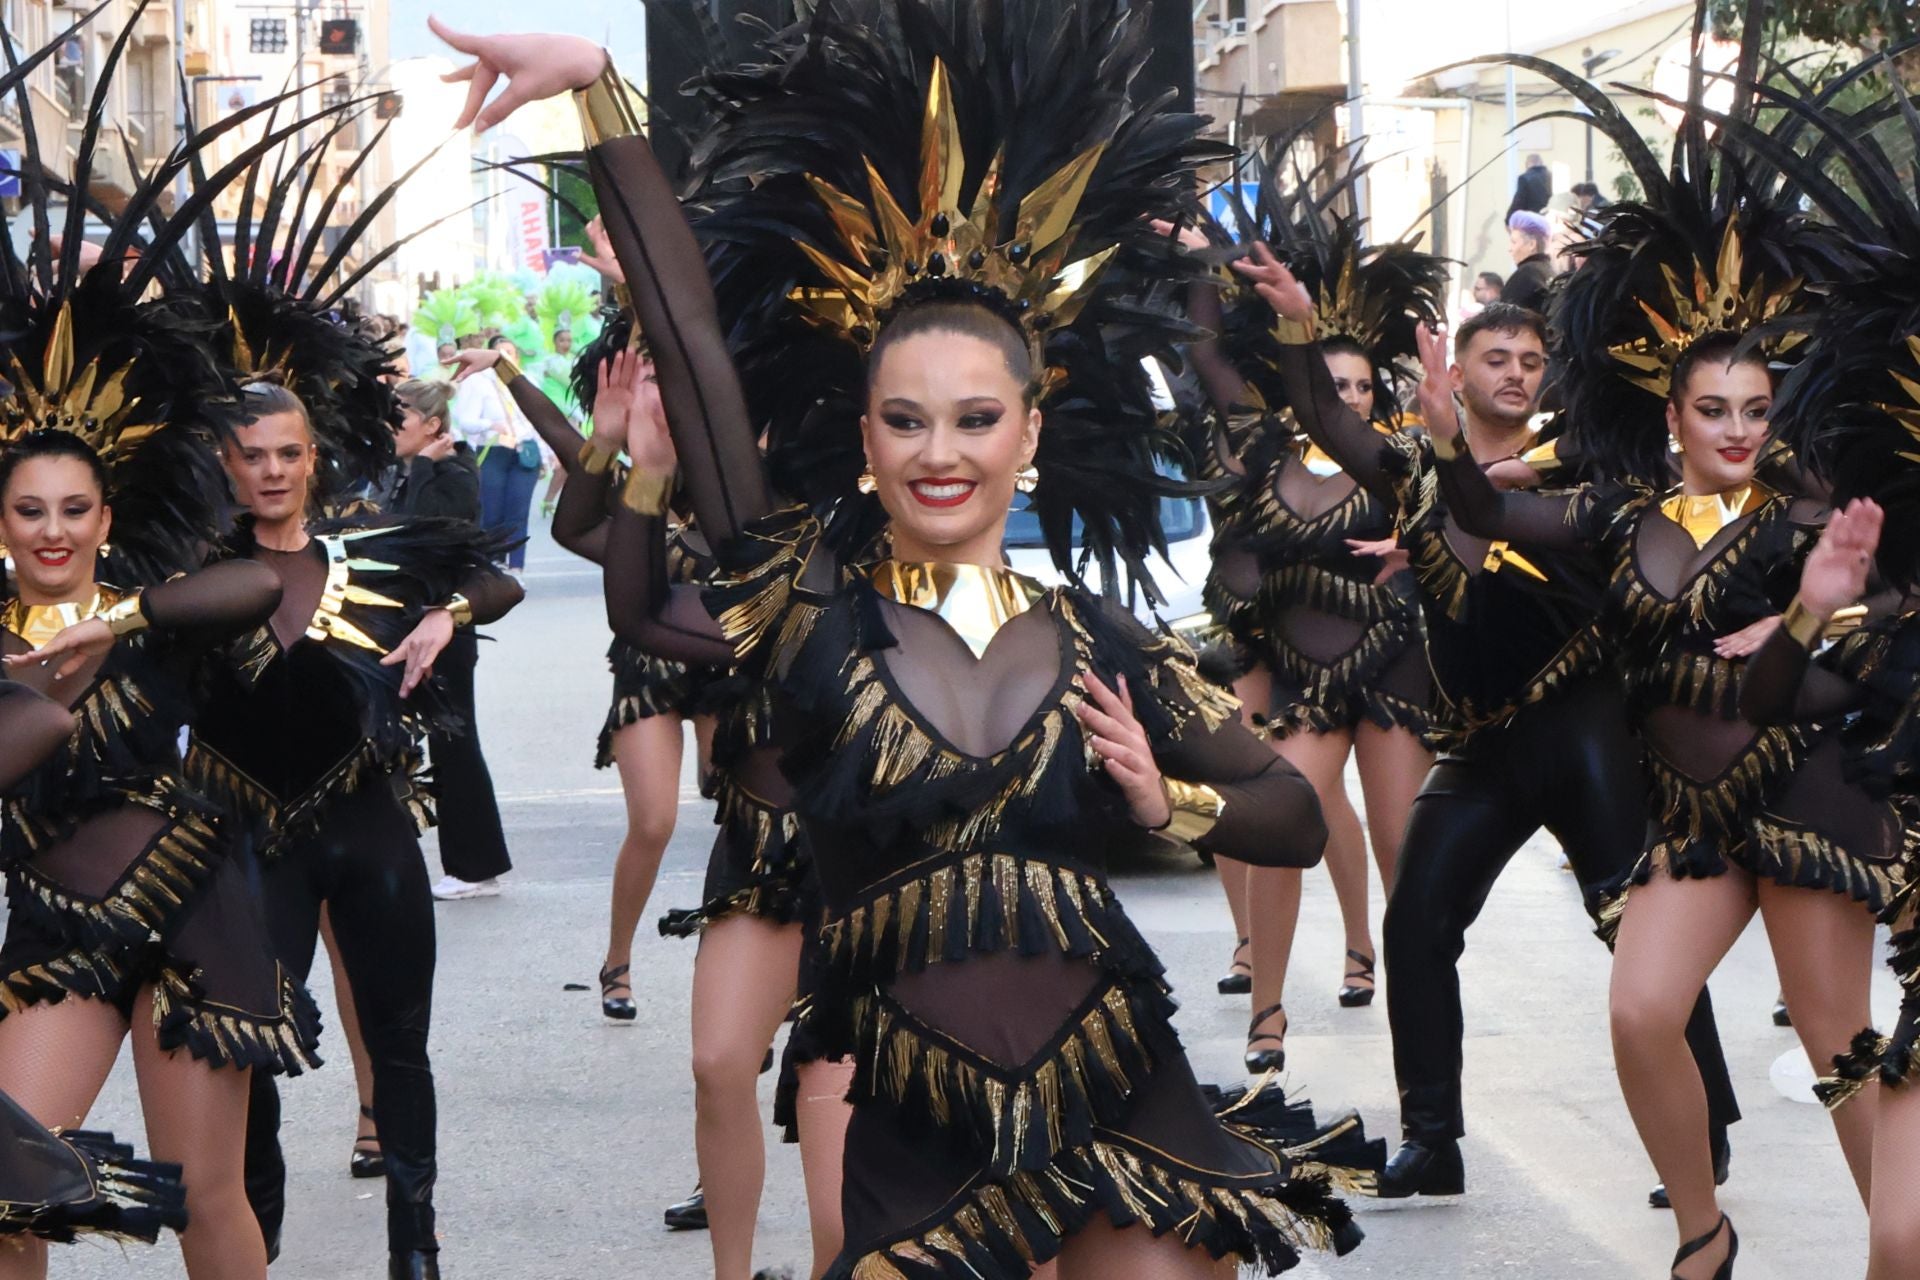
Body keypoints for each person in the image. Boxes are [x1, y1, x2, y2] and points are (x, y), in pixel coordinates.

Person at [429, 6, 1379, 1276]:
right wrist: (601, 99)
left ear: (1028, 435)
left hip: (1113, 1084)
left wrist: (1174, 797)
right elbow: (698, 339)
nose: (942, 452)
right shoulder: (810, 606)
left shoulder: (1095, 636)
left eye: (977, 418)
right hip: (919, 1116)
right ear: (866, 438)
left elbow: (1295, 815)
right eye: (907, 420)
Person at [1422, 131, 1891, 1271]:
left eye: (1757, 409)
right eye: (1716, 408)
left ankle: (1901, 1237)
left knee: (1836, 1038)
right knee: (1640, 1011)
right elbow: (1484, 518)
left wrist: (1811, 614)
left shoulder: (1802, 523)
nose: (1738, 428)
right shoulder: (1618, 517)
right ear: (1674, 416)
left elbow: (1849, 655)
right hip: (1690, 818)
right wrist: (1445, 444)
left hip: (1802, 797)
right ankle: (1704, 1230)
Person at [1229, 248, 1741, 1205]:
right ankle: (1432, 1138)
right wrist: (1298, 318)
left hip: (1584, 731)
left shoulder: (1585, 466)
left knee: (1640, 936)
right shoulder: (1415, 465)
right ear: (1454, 374)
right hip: (1481, 743)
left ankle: (1703, 1129)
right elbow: (1328, 420)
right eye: (1494, 357)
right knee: (1417, 920)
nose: (1514, 371)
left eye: (1530, 358)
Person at [195, 378, 522, 1280]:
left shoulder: (375, 551)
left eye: (287, 453)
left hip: (370, 831)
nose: (272, 471)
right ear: (225, 463)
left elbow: (501, 581)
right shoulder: (192, 570)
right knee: (250, 1051)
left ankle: (415, 1241)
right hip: (252, 846)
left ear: (313, 457)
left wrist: (441, 618)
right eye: (252, 454)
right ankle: (258, 1239)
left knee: (400, 1043)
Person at [1159, 146, 1442, 1077]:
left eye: (1362, 387)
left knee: (1406, 850)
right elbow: (1203, 356)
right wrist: (1202, 264)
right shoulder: (1268, 446)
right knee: (1280, 822)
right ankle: (1268, 1012)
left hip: (1392, 672)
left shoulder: (1394, 461)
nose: (1349, 400)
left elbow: (1464, 526)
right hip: (1303, 674)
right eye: (1335, 386)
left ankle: (1420, 1039)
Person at [0, 679, 190, 1251]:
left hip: (186, 903)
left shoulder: (156, 607)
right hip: (55, 927)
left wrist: (127, 616)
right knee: (15, 1189)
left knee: (203, 1194)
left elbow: (255, 587)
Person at [387, 378, 514, 901]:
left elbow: (421, 533)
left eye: (401, 421)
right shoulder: (414, 468)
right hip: (406, 623)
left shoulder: (455, 470)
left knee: (454, 741)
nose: (389, 430)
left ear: (432, 425)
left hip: (446, 626)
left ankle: (473, 866)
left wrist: (420, 469)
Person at [454, 335, 550, 573]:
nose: (506, 357)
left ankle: (517, 567)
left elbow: (539, 422)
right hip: (493, 450)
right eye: (500, 352)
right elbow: (465, 420)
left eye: (511, 352)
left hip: (524, 449)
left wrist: (546, 456)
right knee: (493, 511)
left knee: (518, 511)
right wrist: (490, 424)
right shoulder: (479, 382)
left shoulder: (528, 381)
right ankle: (494, 563)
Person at [1500, 210, 1555, 312]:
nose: (1510, 249)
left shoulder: (1524, 276)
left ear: (1531, 245)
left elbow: (1505, 321)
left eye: (1514, 242)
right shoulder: (1550, 273)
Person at [1507, 152, 1552, 218]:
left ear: (1527, 164)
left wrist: (1508, 219)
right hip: (1551, 218)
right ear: (1541, 163)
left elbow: (1519, 201)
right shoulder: (1552, 176)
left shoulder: (1524, 178)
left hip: (1533, 219)